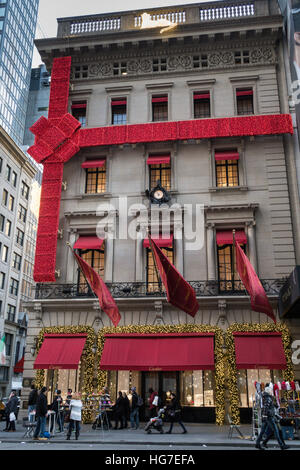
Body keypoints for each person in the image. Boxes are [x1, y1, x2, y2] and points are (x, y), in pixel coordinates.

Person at [255, 384, 289, 450]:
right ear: (269, 391)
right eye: (271, 390)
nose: (271, 391)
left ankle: (257, 443)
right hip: (269, 417)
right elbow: (266, 408)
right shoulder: (268, 398)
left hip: (267, 416)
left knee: (262, 431)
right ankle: (282, 446)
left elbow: (267, 407)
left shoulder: (267, 397)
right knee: (276, 431)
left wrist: (264, 417)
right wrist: (265, 416)